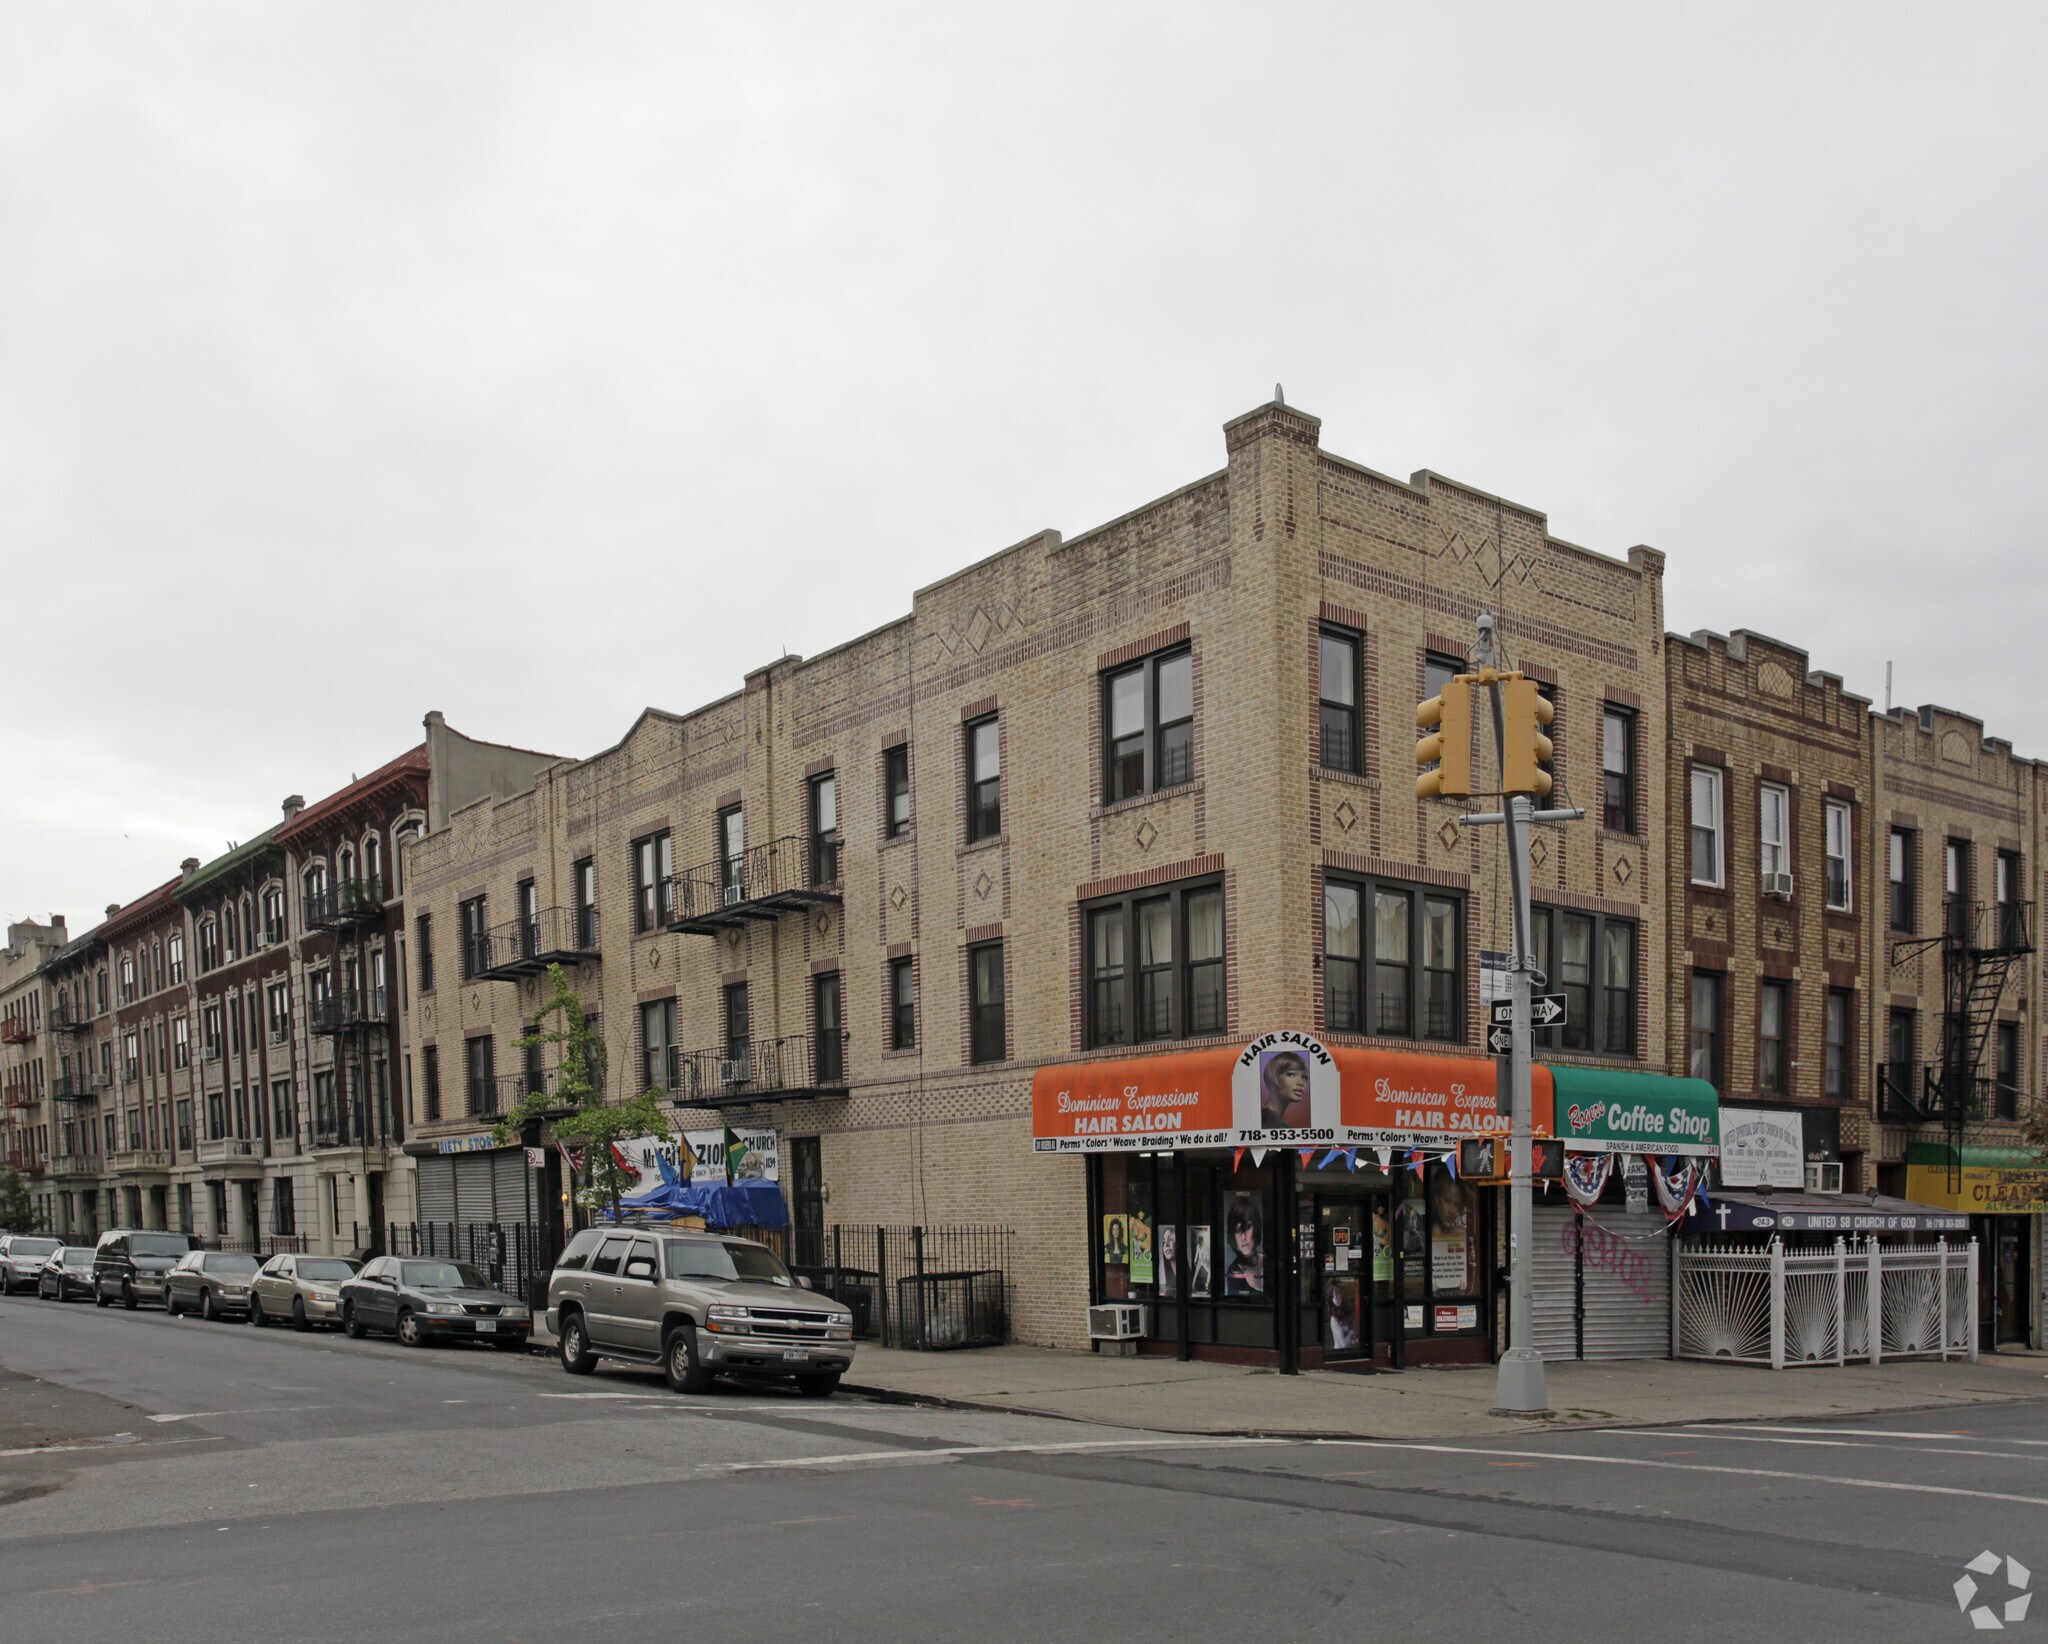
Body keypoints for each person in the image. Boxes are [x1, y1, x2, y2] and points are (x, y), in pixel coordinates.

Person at [1259, 1051, 1313, 1130]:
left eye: (1304, 1077)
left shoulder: (1278, 1125)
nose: (1301, 1083)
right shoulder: (1262, 1123)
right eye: (1291, 1074)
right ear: (1273, 1076)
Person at [1223, 1196, 1264, 1296]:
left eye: (1247, 1227)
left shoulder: (1268, 1260)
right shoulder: (1233, 1270)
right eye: (1237, 1230)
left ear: (1256, 1227)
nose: (1243, 1237)